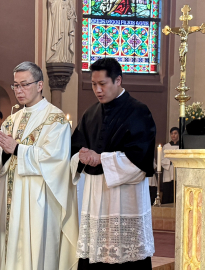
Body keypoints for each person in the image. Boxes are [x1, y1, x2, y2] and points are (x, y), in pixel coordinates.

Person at [0, 61, 78, 270]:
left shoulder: (55, 119)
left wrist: (18, 149)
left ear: (40, 85)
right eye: (15, 85)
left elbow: (55, 160)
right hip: (11, 197)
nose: (19, 91)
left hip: (38, 200)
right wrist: (3, 151)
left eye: (24, 84)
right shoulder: (11, 120)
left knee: (36, 254)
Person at [71, 57, 156, 269]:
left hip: (125, 199)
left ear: (118, 81)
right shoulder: (89, 114)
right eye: (93, 84)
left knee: (126, 257)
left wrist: (101, 158)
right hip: (96, 198)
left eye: (102, 84)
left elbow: (140, 160)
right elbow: (74, 150)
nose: (97, 90)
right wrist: (80, 157)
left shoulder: (138, 111)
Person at [161, 127, 180, 204]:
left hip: (177, 170)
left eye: (175, 133)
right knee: (168, 188)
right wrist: (170, 162)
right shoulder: (166, 146)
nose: (173, 135)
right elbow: (162, 159)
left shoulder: (181, 146)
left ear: (178, 134)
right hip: (168, 170)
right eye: (172, 133)